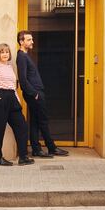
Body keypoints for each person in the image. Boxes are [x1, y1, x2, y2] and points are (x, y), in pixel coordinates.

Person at [16, 30, 69, 158]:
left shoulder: (25, 55)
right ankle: (52, 148)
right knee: (43, 121)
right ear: (21, 42)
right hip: (34, 94)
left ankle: (36, 149)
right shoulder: (22, 57)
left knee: (35, 121)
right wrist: (34, 93)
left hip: (35, 93)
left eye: (32, 39)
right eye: (29, 40)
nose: (32, 41)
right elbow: (23, 80)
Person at [0, 43, 35, 166]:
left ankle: (23, 157)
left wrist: (17, 101)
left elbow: (13, 87)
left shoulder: (10, 67)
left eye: (7, 52)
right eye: (2, 52)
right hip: (0, 98)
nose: (5, 54)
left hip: (12, 98)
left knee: (22, 126)